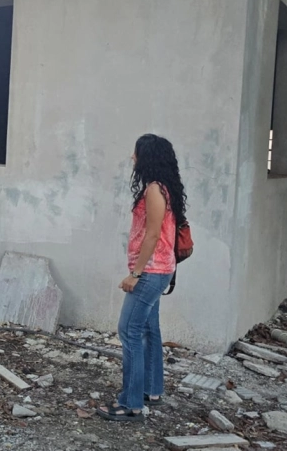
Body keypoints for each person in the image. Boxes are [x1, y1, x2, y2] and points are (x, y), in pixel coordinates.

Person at [97, 134, 187, 422]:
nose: (132, 157)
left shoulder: (154, 190)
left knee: (129, 332)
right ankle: (151, 389)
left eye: (135, 153)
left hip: (151, 271)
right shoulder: (163, 188)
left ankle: (131, 404)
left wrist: (135, 274)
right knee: (149, 329)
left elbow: (152, 235)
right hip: (159, 269)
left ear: (146, 157)